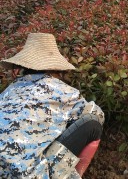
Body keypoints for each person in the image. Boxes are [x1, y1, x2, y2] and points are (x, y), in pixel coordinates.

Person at [0, 33, 104, 178]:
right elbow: (98, 115)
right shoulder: (63, 92)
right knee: (92, 124)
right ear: (56, 69)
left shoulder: (8, 91)